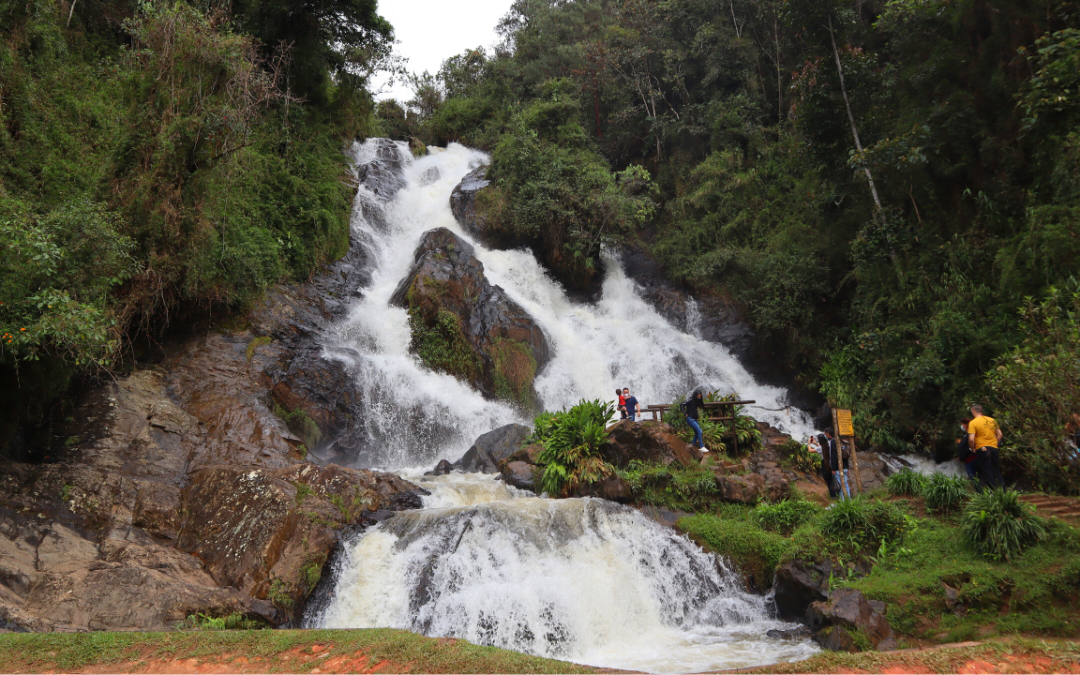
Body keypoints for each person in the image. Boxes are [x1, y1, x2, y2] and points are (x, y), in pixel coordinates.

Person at [968, 403, 1003, 488]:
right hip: (994, 447)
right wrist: (995, 444)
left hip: (982, 448)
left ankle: (993, 492)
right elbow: (1000, 434)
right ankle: (1003, 491)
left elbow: (971, 439)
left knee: (987, 471)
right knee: (997, 470)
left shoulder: (973, 423)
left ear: (974, 411)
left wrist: (973, 449)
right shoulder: (992, 420)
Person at [956, 418, 979, 487]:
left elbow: (969, 448)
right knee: (973, 477)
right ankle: (980, 492)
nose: (962, 426)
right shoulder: (967, 435)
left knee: (973, 477)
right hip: (968, 459)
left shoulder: (970, 435)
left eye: (962, 424)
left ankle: (980, 493)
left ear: (966, 425)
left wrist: (962, 457)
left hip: (971, 459)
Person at [817, 430, 839, 499]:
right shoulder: (829, 444)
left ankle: (833, 497)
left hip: (825, 466)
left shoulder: (820, 448)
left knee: (829, 483)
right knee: (834, 481)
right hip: (832, 464)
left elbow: (810, 450)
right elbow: (822, 448)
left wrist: (809, 443)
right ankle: (839, 495)